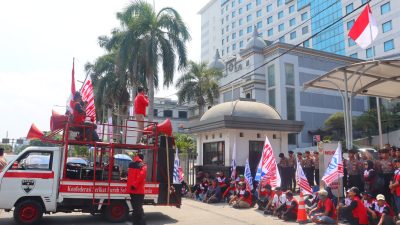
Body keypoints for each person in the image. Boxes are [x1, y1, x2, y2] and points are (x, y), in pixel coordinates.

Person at [127, 153, 147, 225]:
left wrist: (132, 185)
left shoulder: (131, 164)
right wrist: (134, 185)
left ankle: (135, 223)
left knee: (135, 209)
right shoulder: (143, 166)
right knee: (139, 209)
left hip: (131, 191)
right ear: (142, 158)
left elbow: (129, 176)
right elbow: (141, 176)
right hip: (139, 191)